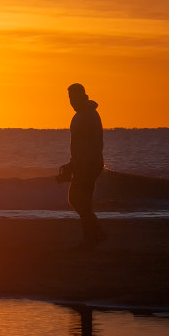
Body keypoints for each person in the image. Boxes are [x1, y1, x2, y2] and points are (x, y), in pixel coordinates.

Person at [56, 83, 106, 249]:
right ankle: (91, 238)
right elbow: (80, 146)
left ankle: (97, 234)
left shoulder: (88, 115)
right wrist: (72, 164)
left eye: (73, 98)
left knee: (76, 199)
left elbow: (89, 145)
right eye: (69, 98)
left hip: (88, 164)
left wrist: (76, 165)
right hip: (87, 163)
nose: (71, 102)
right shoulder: (83, 115)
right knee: (83, 202)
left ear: (82, 96)